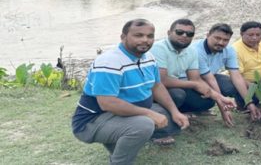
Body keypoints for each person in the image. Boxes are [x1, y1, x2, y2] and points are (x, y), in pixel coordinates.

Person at [72, 19, 190, 165]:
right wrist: (150, 113)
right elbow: (107, 103)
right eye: (138, 35)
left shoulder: (149, 58)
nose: (145, 40)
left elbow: (157, 86)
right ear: (123, 37)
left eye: (150, 36)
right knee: (144, 125)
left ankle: (116, 144)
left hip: (120, 114)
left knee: (170, 121)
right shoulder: (109, 62)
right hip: (93, 121)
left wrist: (175, 111)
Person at [150, 18, 235, 114]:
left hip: (175, 84)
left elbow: (196, 79)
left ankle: (180, 111)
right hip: (153, 88)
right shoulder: (159, 48)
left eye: (189, 34)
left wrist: (220, 98)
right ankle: (164, 113)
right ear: (169, 33)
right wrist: (194, 84)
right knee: (178, 94)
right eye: (179, 32)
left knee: (207, 102)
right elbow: (162, 80)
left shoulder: (191, 51)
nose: (184, 36)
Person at [195, 23, 261, 126]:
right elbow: (210, 79)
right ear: (208, 35)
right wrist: (223, 108)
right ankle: (192, 108)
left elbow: (236, 76)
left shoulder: (229, 50)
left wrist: (249, 103)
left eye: (225, 40)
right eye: (217, 38)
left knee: (231, 85)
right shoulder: (197, 50)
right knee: (207, 101)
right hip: (190, 80)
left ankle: (243, 106)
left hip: (210, 76)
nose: (221, 42)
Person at [232, 21, 261, 85]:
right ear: (241, 34)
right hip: (246, 83)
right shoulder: (235, 51)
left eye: (258, 35)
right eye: (250, 35)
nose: (254, 38)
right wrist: (254, 88)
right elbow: (237, 77)